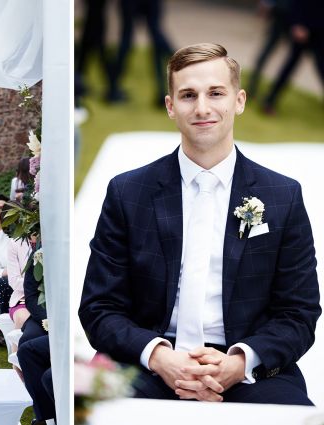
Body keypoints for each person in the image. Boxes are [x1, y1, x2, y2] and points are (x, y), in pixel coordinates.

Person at [79, 43, 321, 404]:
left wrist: (239, 362)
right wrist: (159, 357)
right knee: (83, 406)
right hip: (148, 363)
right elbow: (99, 307)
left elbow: (299, 312)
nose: (202, 108)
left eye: (216, 93)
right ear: (170, 106)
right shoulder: (128, 192)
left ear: (239, 100)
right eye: (188, 95)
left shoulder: (282, 196)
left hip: (250, 369)